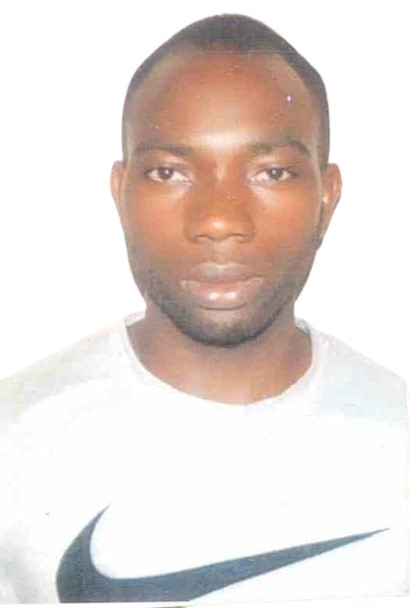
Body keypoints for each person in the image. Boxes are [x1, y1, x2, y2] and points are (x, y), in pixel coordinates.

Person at [0, 13, 407, 605]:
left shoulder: (399, 446)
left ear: (327, 197)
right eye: (169, 172)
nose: (219, 219)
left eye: (271, 172)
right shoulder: (14, 441)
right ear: (121, 195)